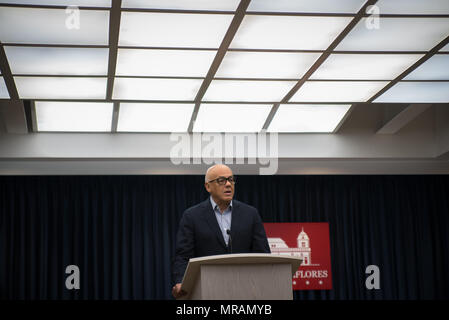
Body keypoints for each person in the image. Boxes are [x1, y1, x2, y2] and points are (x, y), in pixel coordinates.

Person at [171, 164, 271, 299]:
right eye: (221, 180)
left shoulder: (250, 214)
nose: (228, 184)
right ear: (208, 186)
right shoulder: (192, 216)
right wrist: (181, 282)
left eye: (231, 179)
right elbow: (183, 256)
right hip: (207, 289)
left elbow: (262, 254)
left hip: (245, 290)